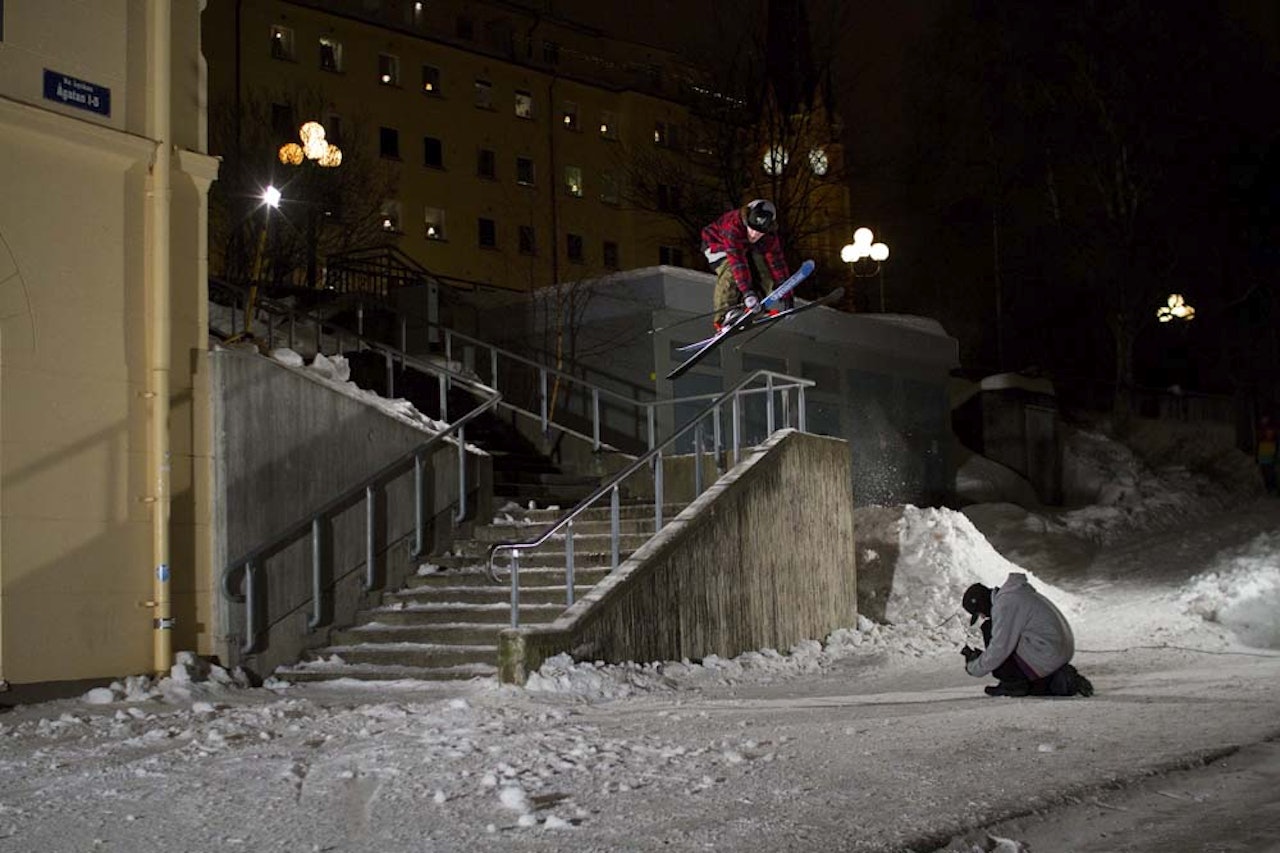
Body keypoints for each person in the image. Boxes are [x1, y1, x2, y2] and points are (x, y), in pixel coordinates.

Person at [960, 573, 1094, 698]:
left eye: (980, 613)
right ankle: (1060, 680)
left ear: (981, 604)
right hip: (1054, 651)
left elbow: (1000, 648)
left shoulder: (1005, 604)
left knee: (989, 628)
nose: (983, 616)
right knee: (1032, 687)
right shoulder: (1014, 595)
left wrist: (974, 667)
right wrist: (983, 657)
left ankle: (1012, 684)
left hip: (1048, 654)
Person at [700, 199, 792, 330]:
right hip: (716, 245)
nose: (754, 235)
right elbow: (737, 261)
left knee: (765, 269)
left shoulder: (769, 236)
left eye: (759, 232)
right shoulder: (733, 225)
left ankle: (755, 305)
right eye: (751, 229)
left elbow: (777, 262)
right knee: (731, 269)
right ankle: (725, 314)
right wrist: (747, 292)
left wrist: (786, 293)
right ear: (746, 220)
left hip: (745, 248)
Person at [1257, 414, 1277, 495]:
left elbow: (1271, 437)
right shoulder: (1261, 431)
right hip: (1263, 454)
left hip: (1269, 454)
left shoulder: (1271, 429)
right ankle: (1268, 488)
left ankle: (1272, 488)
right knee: (1265, 472)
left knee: (1270, 472)